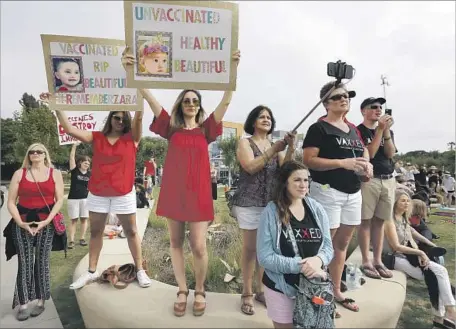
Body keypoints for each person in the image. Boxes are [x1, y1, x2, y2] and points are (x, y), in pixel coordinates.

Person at [122, 47, 240, 317]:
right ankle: (182, 290)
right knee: (175, 242)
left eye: (194, 100)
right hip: (174, 193)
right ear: (180, 104)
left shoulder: (207, 129)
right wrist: (132, 71)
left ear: (199, 106)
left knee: (198, 244)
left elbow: (226, 101)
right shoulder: (170, 128)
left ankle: (199, 289)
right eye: (186, 100)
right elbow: (149, 97)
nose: (190, 104)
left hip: (198, 194)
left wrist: (233, 69)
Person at [40, 92, 152, 290]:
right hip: (98, 194)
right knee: (96, 232)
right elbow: (69, 129)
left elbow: (140, 116)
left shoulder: (132, 138)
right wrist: (56, 105)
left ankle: (140, 270)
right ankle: (91, 272)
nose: (119, 120)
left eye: (123, 118)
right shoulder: (97, 137)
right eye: (116, 117)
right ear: (110, 118)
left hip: (123, 193)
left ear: (128, 120)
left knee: (132, 231)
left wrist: (138, 89)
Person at [302, 81, 372, 314]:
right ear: (326, 103)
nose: (345, 99)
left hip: (353, 192)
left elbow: (362, 151)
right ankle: (316, 292)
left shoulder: (353, 128)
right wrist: (342, 163)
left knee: (342, 244)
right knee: (324, 245)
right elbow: (309, 161)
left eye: (347, 96)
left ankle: (335, 290)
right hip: (327, 191)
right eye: (338, 97)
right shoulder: (319, 129)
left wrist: (366, 167)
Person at [230, 105, 295, 315]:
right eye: (261, 116)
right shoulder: (244, 142)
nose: (266, 119)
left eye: (269, 117)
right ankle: (247, 293)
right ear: (253, 121)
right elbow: (250, 166)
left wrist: (290, 147)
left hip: (270, 204)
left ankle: (261, 290)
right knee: (250, 249)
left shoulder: (273, 145)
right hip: (249, 203)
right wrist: (274, 150)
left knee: (265, 251)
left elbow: (287, 170)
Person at [257, 161, 334, 328]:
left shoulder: (317, 209)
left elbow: (328, 246)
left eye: (306, 180)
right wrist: (301, 266)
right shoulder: (271, 212)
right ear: (285, 183)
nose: (303, 185)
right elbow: (264, 256)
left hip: (313, 287)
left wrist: (318, 260)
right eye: (297, 180)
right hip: (282, 288)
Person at [6, 143, 64, 321]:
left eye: (39, 151)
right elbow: (10, 201)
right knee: (24, 262)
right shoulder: (19, 173)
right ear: (28, 155)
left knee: (42, 262)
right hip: (22, 222)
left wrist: (47, 220)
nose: (35, 154)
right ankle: (23, 303)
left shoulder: (55, 173)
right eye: (31, 151)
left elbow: (59, 199)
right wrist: (20, 223)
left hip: (46, 223)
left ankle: (40, 302)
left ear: (45, 154)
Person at [383, 189, 455, 328]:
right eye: (403, 200)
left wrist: (431, 243)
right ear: (395, 202)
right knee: (439, 271)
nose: (406, 203)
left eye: (408, 201)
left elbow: (413, 232)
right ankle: (451, 311)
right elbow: (396, 247)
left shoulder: (403, 218)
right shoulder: (389, 220)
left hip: (407, 256)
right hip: (393, 258)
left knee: (435, 275)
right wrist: (420, 253)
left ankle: (439, 319)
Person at [356, 97, 397, 280]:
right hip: (370, 180)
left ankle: (378, 260)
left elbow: (390, 153)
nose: (378, 110)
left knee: (380, 221)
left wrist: (386, 131)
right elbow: (370, 154)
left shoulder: (387, 130)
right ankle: (366, 260)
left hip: (388, 179)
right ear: (363, 111)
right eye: (374, 107)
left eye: (380, 107)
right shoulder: (358, 131)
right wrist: (380, 129)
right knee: (365, 221)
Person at [67, 142, 91, 249]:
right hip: (73, 199)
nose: (87, 165)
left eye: (88, 163)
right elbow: (72, 158)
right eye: (85, 163)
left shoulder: (90, 174)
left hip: (85, 200)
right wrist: (74, 146)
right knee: (73, 220)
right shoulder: (74, 171)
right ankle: (71, 241)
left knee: (84, 219)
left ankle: (82, 238)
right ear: (80, 163)